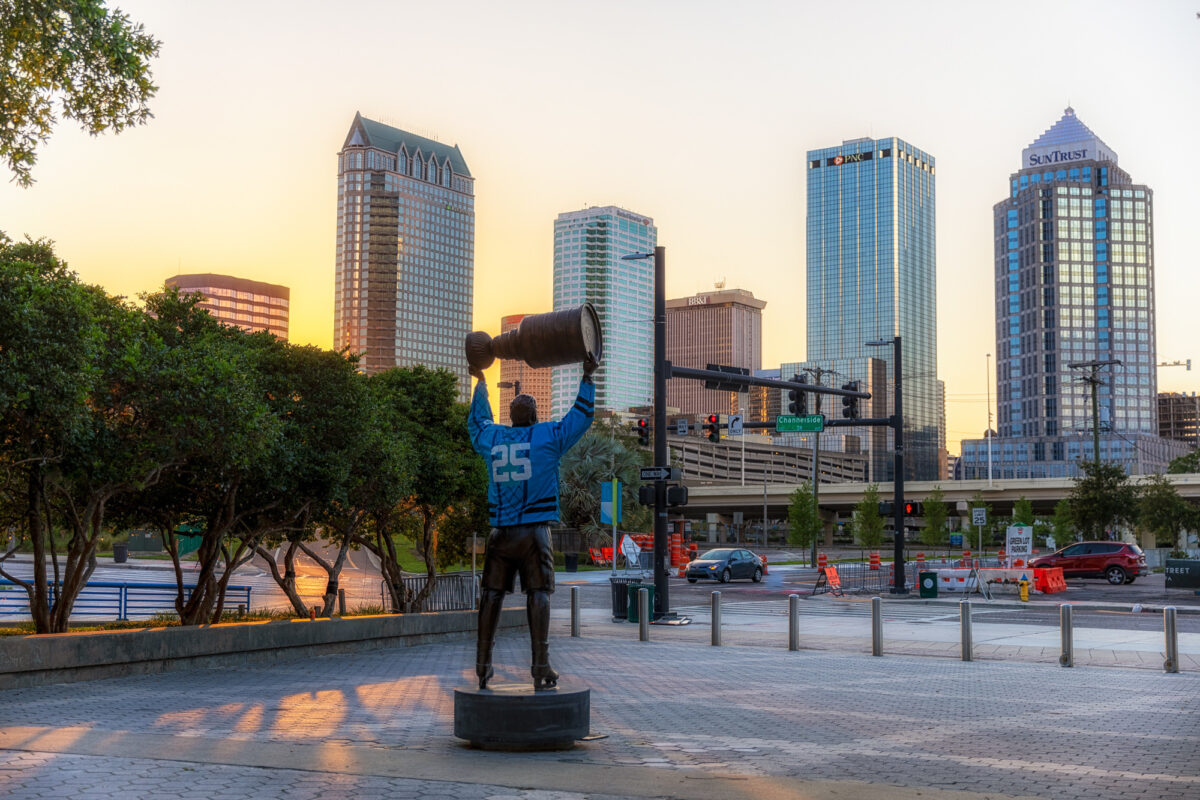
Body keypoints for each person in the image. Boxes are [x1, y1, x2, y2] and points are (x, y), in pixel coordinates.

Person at [467, 357, 596, 690]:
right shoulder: (547, 436)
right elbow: (579, 418)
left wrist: (481, 382)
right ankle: (540, 666)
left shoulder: (492, 439)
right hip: (534, 532)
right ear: (535, 416)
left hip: (499, 533)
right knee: (539, 593)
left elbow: (477, 422)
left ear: (510, 418)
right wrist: (587, 377)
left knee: (491, 595)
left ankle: (482, 665)